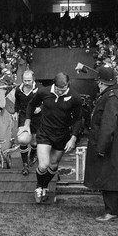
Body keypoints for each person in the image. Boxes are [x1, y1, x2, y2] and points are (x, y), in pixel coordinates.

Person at [24, 72, 82, 203]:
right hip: (45, 132)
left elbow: (79, 119)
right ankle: (39, 186)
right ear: (54, 84)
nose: (61, 91)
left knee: (54, 165)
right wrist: (27, 123)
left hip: (62, 134)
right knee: (43, 165)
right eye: (58, 89)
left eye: (64, 89)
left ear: (68, 85)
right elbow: (31, 105)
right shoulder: (43, 92)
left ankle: (45, 186)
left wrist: (73, 138)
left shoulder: (75, 97)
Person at [84, 66, 118, 222]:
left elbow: (108, 125)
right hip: (113, 143)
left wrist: (101, 147)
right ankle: (113, 209)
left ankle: (112, 211)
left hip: (109, 144)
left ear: (101, 82)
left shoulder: (111, 98)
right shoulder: (114, 95)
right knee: (110, 176)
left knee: (109, 178)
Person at [12, 70, 41, 175]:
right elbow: (17, 101)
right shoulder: (18, 90)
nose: (27, 83)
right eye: (25, 80)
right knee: (23, 140)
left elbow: (46, 101)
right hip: (23, 116)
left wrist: (40, 107)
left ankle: (33, 155)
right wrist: (15, 111)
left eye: (29, 80)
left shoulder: (39, 89)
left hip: (36, 117)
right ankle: (24, 164)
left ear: (33, 79)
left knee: (34, 142)